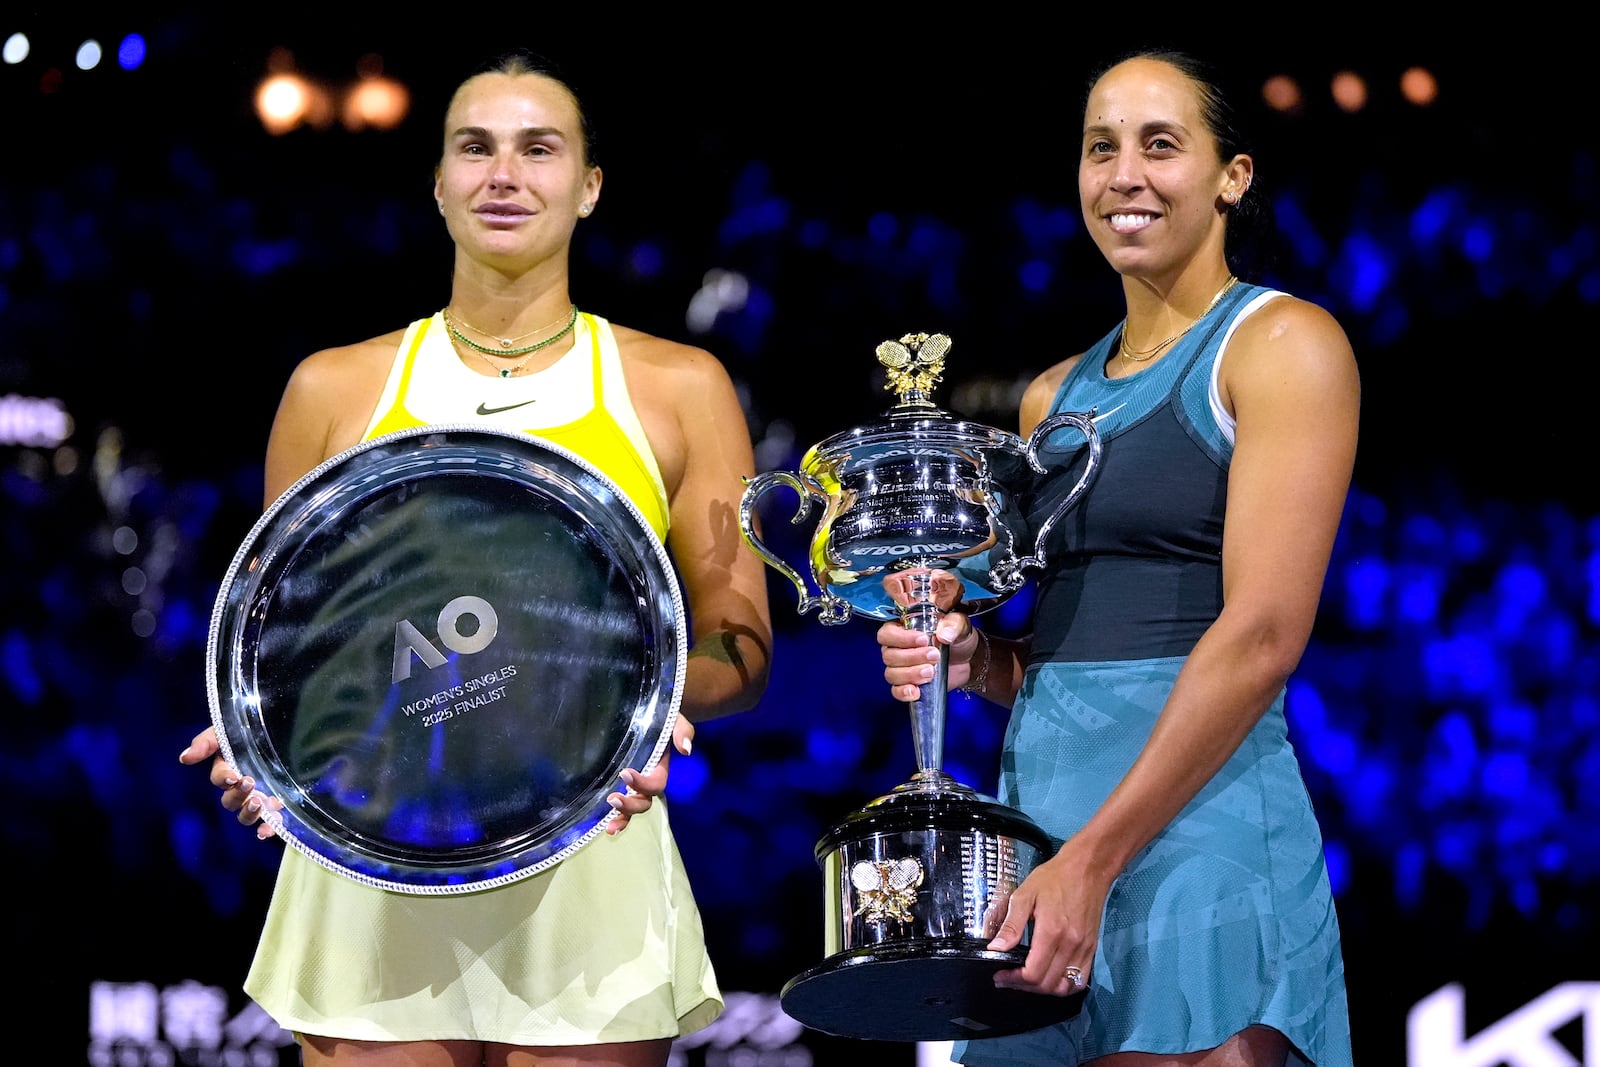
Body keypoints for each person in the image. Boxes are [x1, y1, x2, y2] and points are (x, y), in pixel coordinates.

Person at [179, 49, 773, 1067]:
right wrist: (261, 743)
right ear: (440, 183)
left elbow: (739, 646)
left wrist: (650, 695)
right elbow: (287, 646)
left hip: (592, 865)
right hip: (372, 875)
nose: (504, 174)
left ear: (587, 186)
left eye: (538, 149)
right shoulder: (332, 387)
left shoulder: (680, 386)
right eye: (475, 148)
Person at [877, 50, 1358, 1066]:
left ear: (1232, 174)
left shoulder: (1282, 344)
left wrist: (1094, 859)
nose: (1123, 174)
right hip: (1042, 828)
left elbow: (1263, 634)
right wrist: (977, 663)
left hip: (1194, 834)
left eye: (1160, 145)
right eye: (1101, 148)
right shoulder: (1052, 395)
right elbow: (1058, 656)